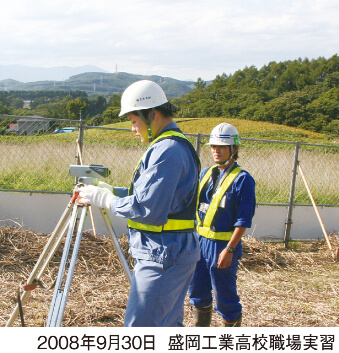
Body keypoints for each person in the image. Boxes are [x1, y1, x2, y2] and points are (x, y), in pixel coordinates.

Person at [77, 80, 201, 327]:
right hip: (168, 251)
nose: (133, 129)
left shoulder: (168, 150)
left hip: (163, 255)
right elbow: (159, 197)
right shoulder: (168, 146)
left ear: (152, 114)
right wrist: (113, 191)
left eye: (134, 121)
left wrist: (107, 199)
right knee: (166, 325)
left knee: (141, 329)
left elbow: (149, 208)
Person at [188, 123, 256, 327]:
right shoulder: (207, 173)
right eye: (213, 146)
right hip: (199, 243)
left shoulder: (243, 180)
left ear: (234, 149)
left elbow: (243, 221)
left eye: (221, 147)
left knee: (226, 299)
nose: (216, 151)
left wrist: (230, 249)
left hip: (222, 246)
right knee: (197, 292)